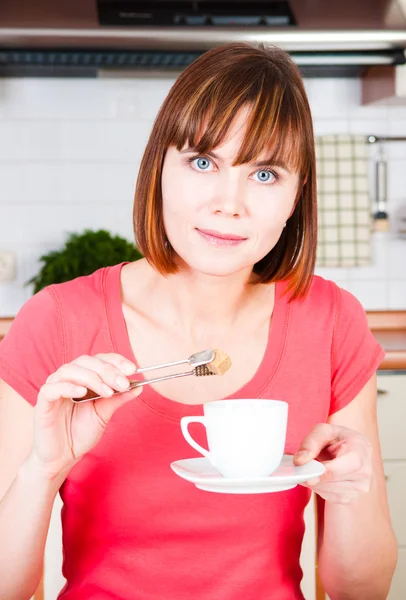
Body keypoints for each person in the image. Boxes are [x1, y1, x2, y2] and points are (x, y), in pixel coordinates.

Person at [0, 42, 397, 600]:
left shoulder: (332, 322)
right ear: (160, 166)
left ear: (296, 195)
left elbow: (362, 592)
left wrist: (353, 490)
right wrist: (43, 470)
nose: (228, 203)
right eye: (204, 162)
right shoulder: (57, 320)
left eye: (265, 174)